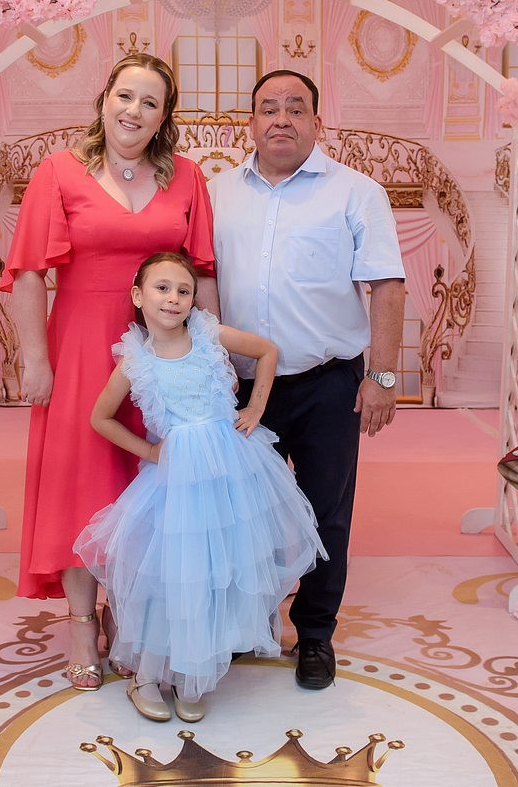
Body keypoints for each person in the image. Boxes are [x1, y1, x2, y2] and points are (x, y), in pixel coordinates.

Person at [0, 54, 218, 692]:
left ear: (164, 117)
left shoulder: (187, 177)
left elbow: (203, 273)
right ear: (104, 100)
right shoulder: (58, 172)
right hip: (81, 349)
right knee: (82, 482)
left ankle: (129, 612)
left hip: (162, 351)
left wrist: (211, 363)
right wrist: (36, 359)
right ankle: (79, 625)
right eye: (125, 96)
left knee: (144, 482)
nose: (134, 111)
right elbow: (28, 273)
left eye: (150, 102)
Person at [208, 70, 406, 691]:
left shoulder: (356, 192)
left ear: (318, 122)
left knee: (326, 512)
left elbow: (387, 284)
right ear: (250, 122)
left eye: (296, 108)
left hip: (329, 383)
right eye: (269, 108)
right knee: (242, 512)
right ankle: (248, 622)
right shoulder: (216, 193)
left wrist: (383, 376)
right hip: (242, 388)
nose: (282, 119)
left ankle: (315, 633)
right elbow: (198, 278)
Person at [73, 252, 327, 722]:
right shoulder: (136, 362)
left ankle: (194, 675)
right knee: (174, 576)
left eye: (183, 290)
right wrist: (150, 451)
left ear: (193, 299)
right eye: (162, 288)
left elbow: (266, 352)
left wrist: (255, 408)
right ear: (138, 296)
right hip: (177, 482)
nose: (173, 298)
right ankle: (148, 676)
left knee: (216, 573)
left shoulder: (209, 336)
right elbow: (100, 418)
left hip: (229, 471)